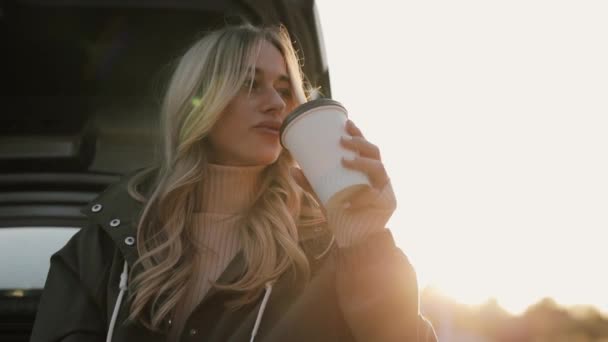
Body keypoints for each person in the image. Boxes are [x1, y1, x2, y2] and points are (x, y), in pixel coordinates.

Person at [30, 24, 437, 342]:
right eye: (249, 83)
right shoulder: (103, 244)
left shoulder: (324, 245)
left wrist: (365, 239)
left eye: (283, 89)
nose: (276, 103)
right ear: (200, 100)